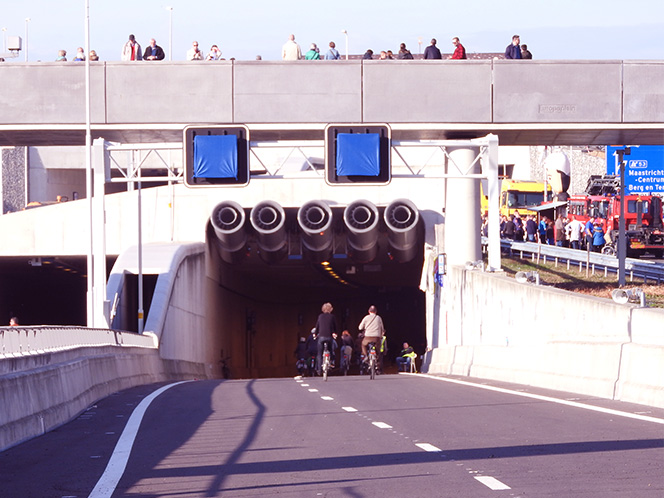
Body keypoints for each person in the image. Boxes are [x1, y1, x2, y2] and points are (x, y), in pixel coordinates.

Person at [314, 302, 337, 375]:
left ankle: (319, 370)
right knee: (331, 350)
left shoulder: (320, 316)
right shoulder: (332, 316)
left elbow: (317, 326)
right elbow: (334, 326)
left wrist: (315, 334)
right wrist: (334, 333)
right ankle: (332, 362)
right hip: (329, 337)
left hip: (321, 337)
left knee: (319, 354)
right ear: (330, 309)